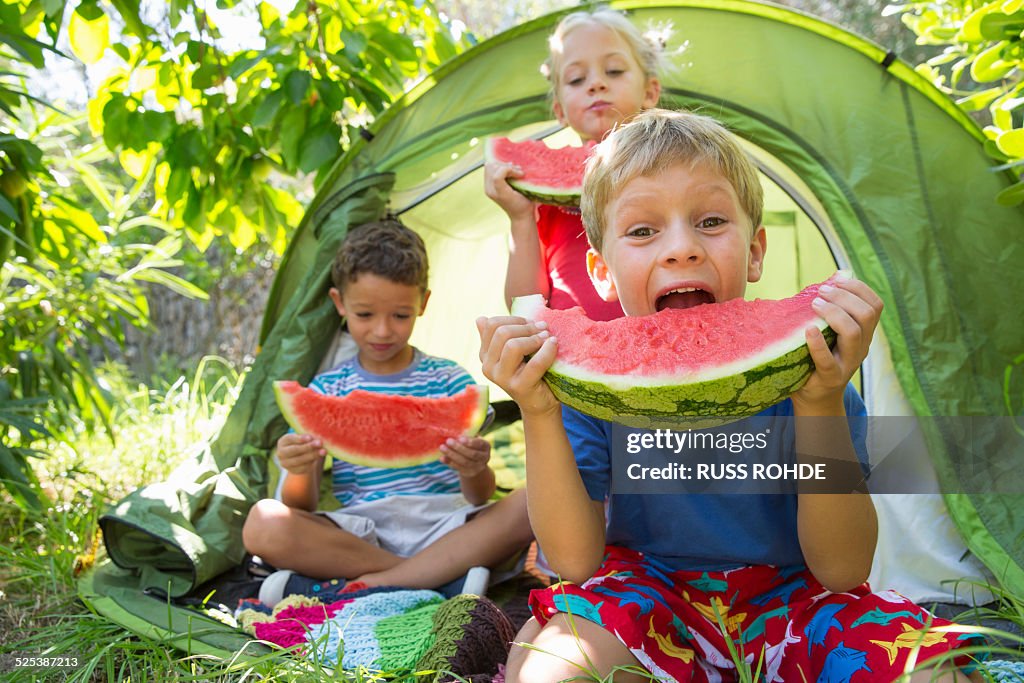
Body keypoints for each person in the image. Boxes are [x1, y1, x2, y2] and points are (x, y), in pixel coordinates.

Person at [477, 109, 984, 682]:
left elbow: (842, 569)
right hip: (644, 593)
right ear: (601, 271)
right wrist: (539, 411)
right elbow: (572, 562)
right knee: (554, 675)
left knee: (933, 675)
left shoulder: (813, 377)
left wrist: (818, 404)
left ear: (757, 250)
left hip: (796, 600)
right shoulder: (595, 396)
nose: (681, 249)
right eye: (643, 230)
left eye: (711, 220)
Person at [244, 219, 532, 602]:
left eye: (400, 315)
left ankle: (365, 586)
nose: (382, 331)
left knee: (532, 502)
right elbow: (301, 505)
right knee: (264, 523)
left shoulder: (450, 381)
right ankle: (433, 580)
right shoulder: (328, 390)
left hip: (446, 523)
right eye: (365, 315)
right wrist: (298, 470)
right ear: (339, 303)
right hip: (363, 531)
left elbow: (480, 497)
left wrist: (475, 468)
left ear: (423, 304)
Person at [485, 7, 662, 320]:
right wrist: (520, 218)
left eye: (615, 71)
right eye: (577, 79)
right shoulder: (540, 197)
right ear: (560, 110)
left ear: (650, 91)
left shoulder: (674, 172)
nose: (595, 83)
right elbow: (524, 306)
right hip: (568, 356)